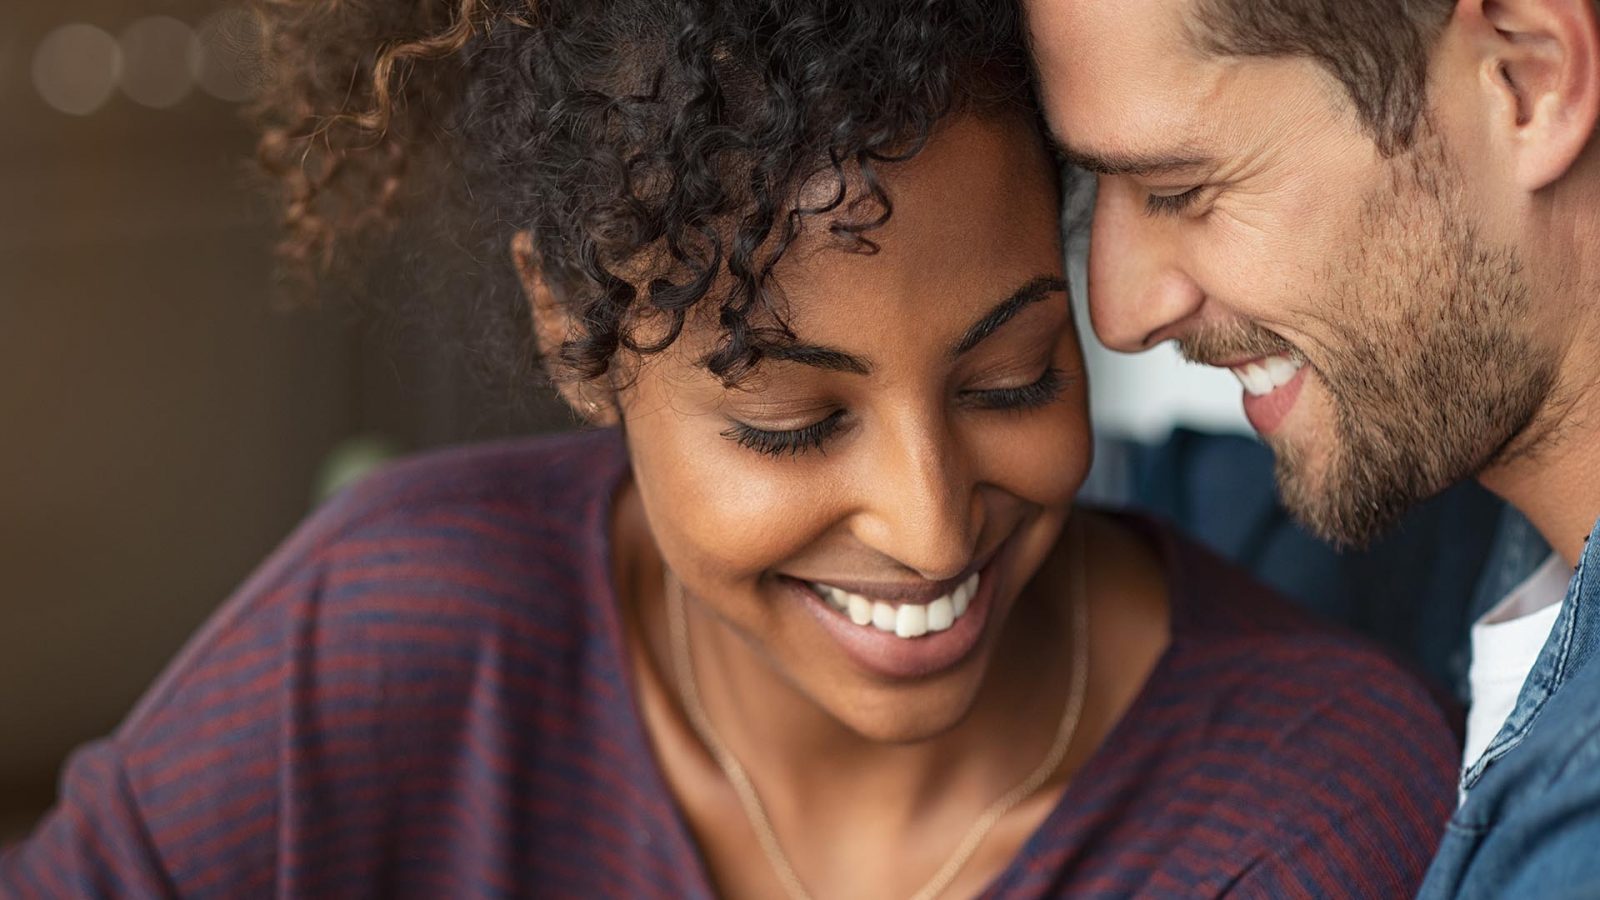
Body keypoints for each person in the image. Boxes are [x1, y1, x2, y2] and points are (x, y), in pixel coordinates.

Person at [0, 1, 1459, 897]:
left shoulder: (1296, 814)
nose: (928, 526)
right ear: (575, 332)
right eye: (790, 423)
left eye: (1012, 381)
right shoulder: (402, 631)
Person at [1021, 0, 1600, 895]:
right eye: (1095, 193)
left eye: (1179, 190)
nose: (1118, 314)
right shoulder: (1442, 524)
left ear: (1527, 79)